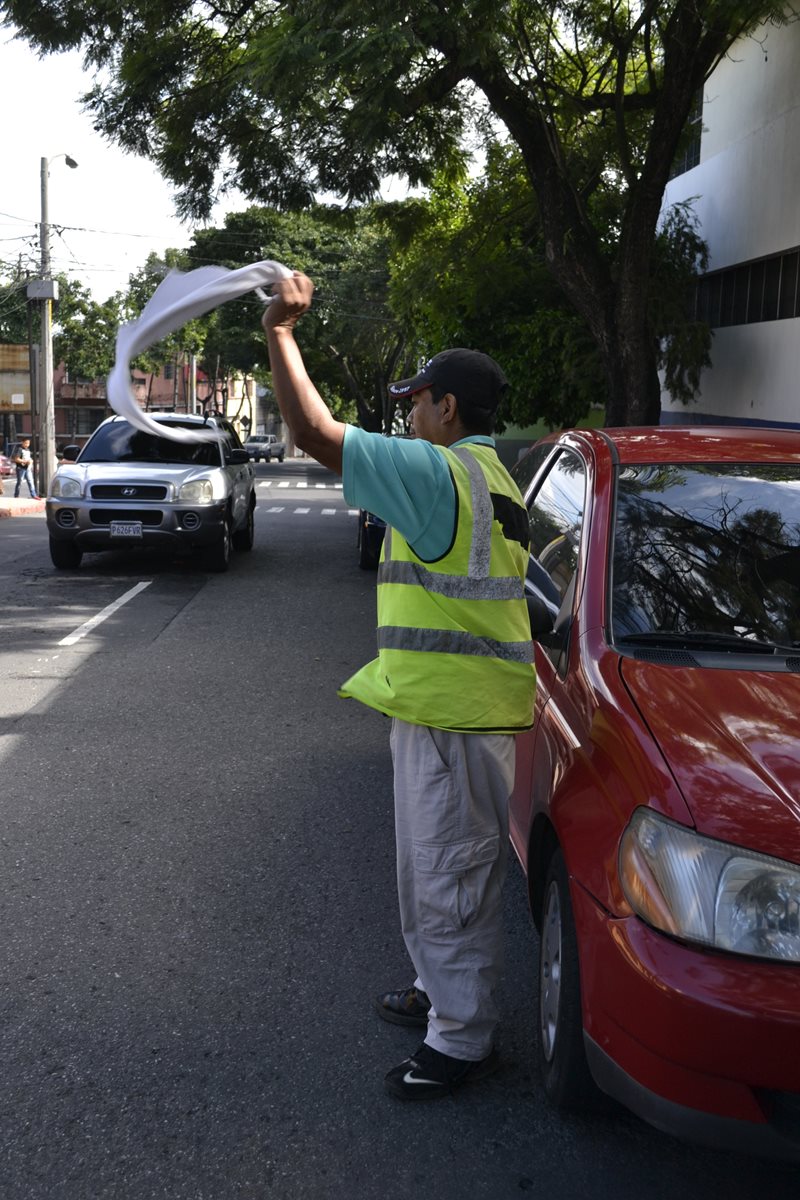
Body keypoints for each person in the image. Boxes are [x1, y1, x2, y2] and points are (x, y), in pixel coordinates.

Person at [262, 273, 536, 1101]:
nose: (410, 413)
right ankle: (435, 989)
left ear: (446, 408)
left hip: (454, 721)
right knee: (438, 871)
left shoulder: (437, 473)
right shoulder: (496, 477)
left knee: (450, 879)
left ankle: (462, 1040)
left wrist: (281, 333)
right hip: (454, 713)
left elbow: (313, 431)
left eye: (417, 400)